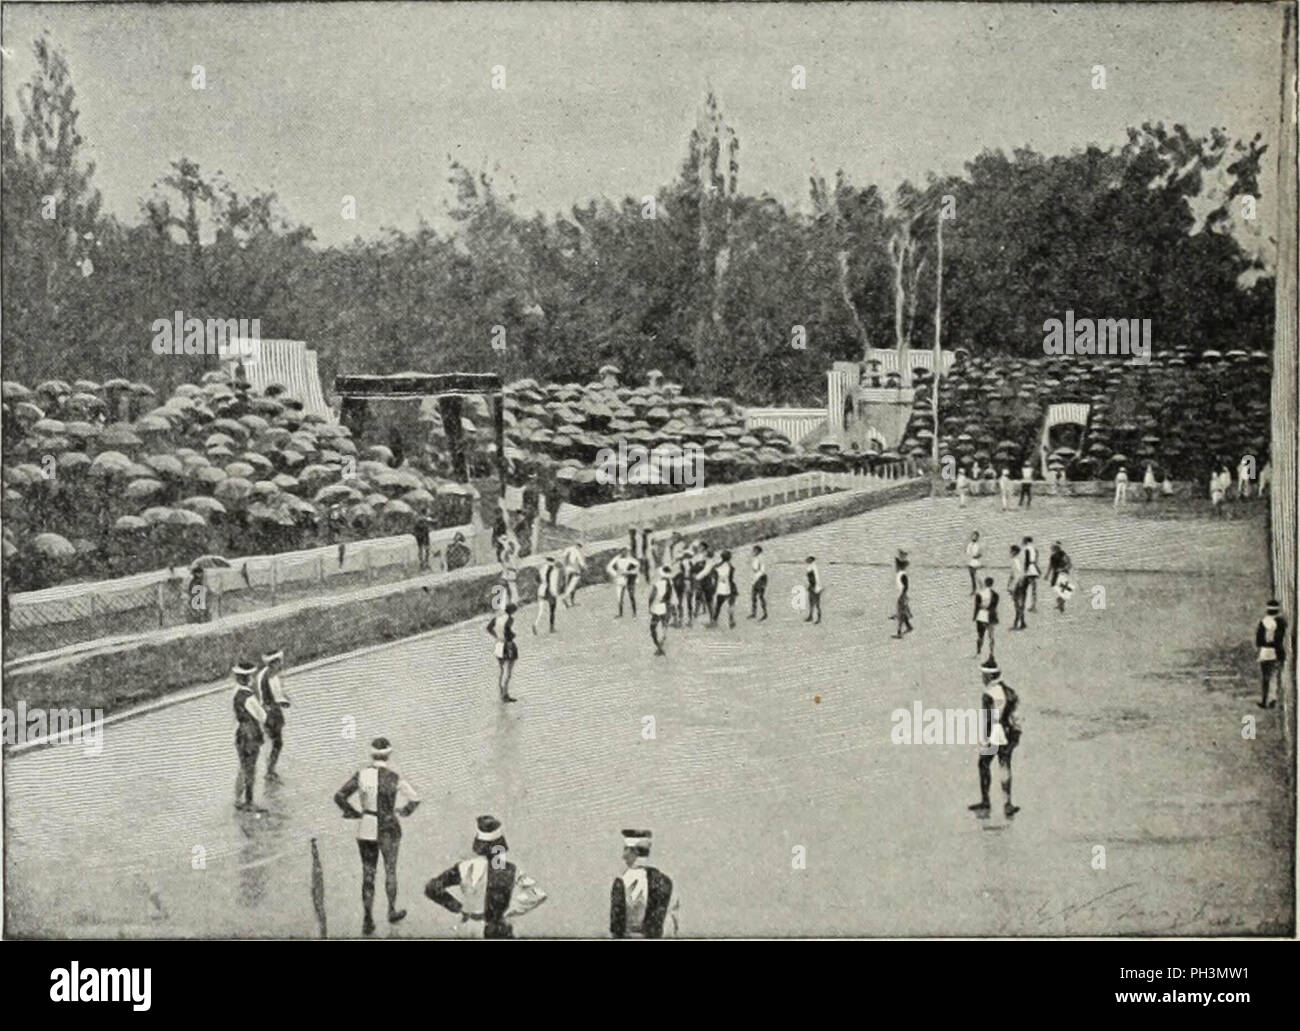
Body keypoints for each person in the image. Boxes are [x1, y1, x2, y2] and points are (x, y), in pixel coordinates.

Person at [334, 736, 421, 936]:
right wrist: (404, 811)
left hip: (366, 826)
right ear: (389, 754)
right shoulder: (394, 777)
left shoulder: (361, 774)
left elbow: (339, 796)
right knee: (390, 870)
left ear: (371, 754)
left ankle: (368, 919)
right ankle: (391, 910)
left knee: (368, 874)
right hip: (389, 826)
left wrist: (353, 812)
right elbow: (415, 798)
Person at [425, 816, 548, 939]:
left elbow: (432, 887)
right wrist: (511, 910)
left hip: (469, 928)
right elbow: (538, 894)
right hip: (498, 929)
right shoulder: (510, 870)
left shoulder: (464, 867)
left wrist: (458, 907)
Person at [969, 657, 1022, 819]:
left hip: (995, 733)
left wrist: (984, 739)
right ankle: (1008, 803)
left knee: (983, 763)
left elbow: (988, 718)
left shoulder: (988, 695)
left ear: (989, 677)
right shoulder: (1010, 692)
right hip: (1009, 732)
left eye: (983, 676)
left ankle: (986, 802)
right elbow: (1016, 716)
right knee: (1005, 765)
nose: (982, 679)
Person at [610, 830, 677, 939]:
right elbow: (672, 924)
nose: (623, 856)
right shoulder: (666, 881)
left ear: (635, 851)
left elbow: (617, 927)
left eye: (626, 849)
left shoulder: (622, 882)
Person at [231, 661, 266, 812]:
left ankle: (238, 798)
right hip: (251, 734)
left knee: (242, 767)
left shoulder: (236, 693)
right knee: (251, 768)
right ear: (248, 678)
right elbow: (262, 716)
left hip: (240, 732)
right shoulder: (249, 697)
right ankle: (249, 801)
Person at [255, 650, 290, 781]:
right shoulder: (269, 677)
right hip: (271, 714)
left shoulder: (265, 674)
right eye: (278, 662)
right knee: (277, 742)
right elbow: (272, 698)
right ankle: (270, 771)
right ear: (274, 663)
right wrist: (283, 702)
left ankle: (270, 769)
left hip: (269, 712)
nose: (280, 665)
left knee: (274, 742)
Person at [1255, 600, 1288, 709]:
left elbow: (1258, 641)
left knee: (1266, 677)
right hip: (1277, 652)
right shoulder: (1281, 622)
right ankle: (1276, 700)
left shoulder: (1263, 622)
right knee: (1278, 677)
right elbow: (1281, 638)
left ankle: (1265, 700)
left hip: (1265, 652)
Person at [487, 603, 519, 702]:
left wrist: (496, 636)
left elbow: (489, 628)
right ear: (513, 611)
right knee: (508, 671)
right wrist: (513, 635)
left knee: (501, 670)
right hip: (507, 645)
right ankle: (505, 693)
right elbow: (508, 632)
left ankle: (501, 693)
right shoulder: (510, 619)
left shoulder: (497, 618)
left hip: (498, 644)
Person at [648, 565, 675, 656]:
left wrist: (649, 607)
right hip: (668, 606)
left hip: (659, 606)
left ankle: (659, 647)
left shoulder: (658, 583)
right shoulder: (671, 583)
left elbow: (652, 596)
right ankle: (661, 646)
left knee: (653, 628)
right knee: (664, 627)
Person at [607, 547, 640, 617]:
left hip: (629, 580)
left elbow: (637, 567)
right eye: (623, 550)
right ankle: (620, 613)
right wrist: (615, 574)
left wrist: (629, 572)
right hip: (620, 579)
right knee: (619, 597)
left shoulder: (630, 559)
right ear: (620, 551)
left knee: (631, 596)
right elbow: (609, 567)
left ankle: (634, 613)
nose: (624, 552)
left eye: (626, 551)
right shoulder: (617, 558)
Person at [710, 550, 737, 628]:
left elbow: (713, 574)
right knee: (731, 604)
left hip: (721, 587)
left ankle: (714, 621)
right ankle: (731, 620)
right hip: (730, 587)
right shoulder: (730, 566)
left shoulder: (717, 566)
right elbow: (731, 575)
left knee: (718, 605)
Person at [973, 576, 998, 658]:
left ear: (985, 583)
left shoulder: (979, 594)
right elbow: (994, 606)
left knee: (980, 636)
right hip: (990, 616)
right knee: (991, 636)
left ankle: (978, 652)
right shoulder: (995, 595)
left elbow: (976, 607)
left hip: (981, 616)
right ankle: (991, 653)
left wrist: (974, 616)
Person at [891, 550, 913, 638]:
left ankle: (899, 632)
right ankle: (908, 626)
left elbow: (906, 586)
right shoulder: (901, 574)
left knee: (901, 613)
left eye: (897, 565)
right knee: (902, 613)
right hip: (902, 596)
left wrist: (902, 596)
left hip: (902, 597)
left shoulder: (902, 575)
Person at [1007, 545, 1027, 630]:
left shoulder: (1015, 561)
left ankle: (1017, 622)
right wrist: (1008, 584)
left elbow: (1019, 574)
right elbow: (1012, 575)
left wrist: (1014, 585)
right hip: (1019, 584)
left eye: (1011, 551)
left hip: (1018, 585)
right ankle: (1022, 622)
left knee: (1017, 604)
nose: (1010, 552)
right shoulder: (1018, 560)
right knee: (1019, 604)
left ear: (1014, 552)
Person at [561, 541, 586, 606]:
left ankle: (568, 602)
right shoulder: (577, 551)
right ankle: (568, 599)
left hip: (567, 570)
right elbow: (581, 562)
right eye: (580, 546)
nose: (580, 547)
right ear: (579, 545)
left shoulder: (567, 549)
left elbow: (563, 558)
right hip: (575, 570)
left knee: (567, 586)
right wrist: (584, 566)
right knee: (573, 586)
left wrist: (564, 567)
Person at [749, 545, 768, 620]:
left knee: (760, 596)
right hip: (756, 579)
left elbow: (760, 569)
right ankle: (754, 613)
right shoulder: (755, 558)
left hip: (760, 578)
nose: (753, 552)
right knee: (754, 596)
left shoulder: (760, 559)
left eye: (754, 551)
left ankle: (764, 613)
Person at [1021, 536, 1040, 612]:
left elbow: (1027, 561)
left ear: (1026, 541)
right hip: (1034, 569)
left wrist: (1025, 571)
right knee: (1033, 589)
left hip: (1029, 570)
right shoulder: (1035, 549)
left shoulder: (1027, 549)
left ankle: (1026, 605)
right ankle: (1033, 605)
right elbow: (1036, 560)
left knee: (1024, 588)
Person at [804, 555, 823, 625]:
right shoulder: (811, 567)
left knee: (817, 604)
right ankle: (811, 616)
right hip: (813, 586)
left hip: (815, 587)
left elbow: (815, 578)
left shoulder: (813, 568)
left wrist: (815, 587)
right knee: (811, 602)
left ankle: (818, 618)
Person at [965, 531, 983, 595]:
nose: (974, 537)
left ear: (977, 537)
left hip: (976, 563)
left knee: (978, 577)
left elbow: (980, 554)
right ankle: (974, 590)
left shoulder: (978, 545)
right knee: (972, 578)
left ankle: (982, 590)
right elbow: (967, 553)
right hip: (970, 563)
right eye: (973, 536)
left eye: (976, 536)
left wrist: (977, 556)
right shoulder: (969, 544)